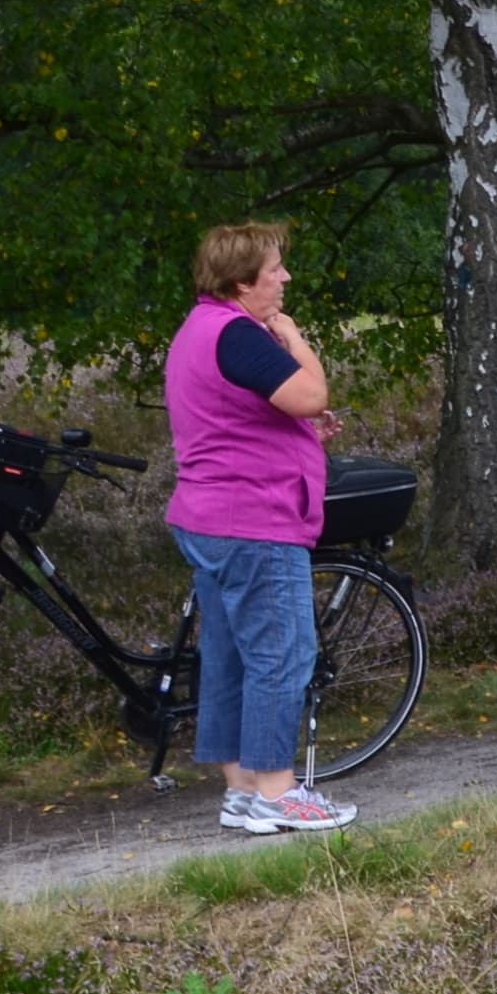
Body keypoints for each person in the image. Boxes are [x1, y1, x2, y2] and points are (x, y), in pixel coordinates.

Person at [163, 222, 356, 835]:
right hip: (255, 521)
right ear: (243, 281)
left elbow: (237, 418)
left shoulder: (198, 330)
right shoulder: (241, 336)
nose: (284, 278)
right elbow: (310, 391)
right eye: (275, 269)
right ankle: (278, 790)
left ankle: (242, 789)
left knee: (229, 656)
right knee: (282, 653)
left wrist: (301, 433)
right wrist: (297, 340)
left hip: (209, 516)